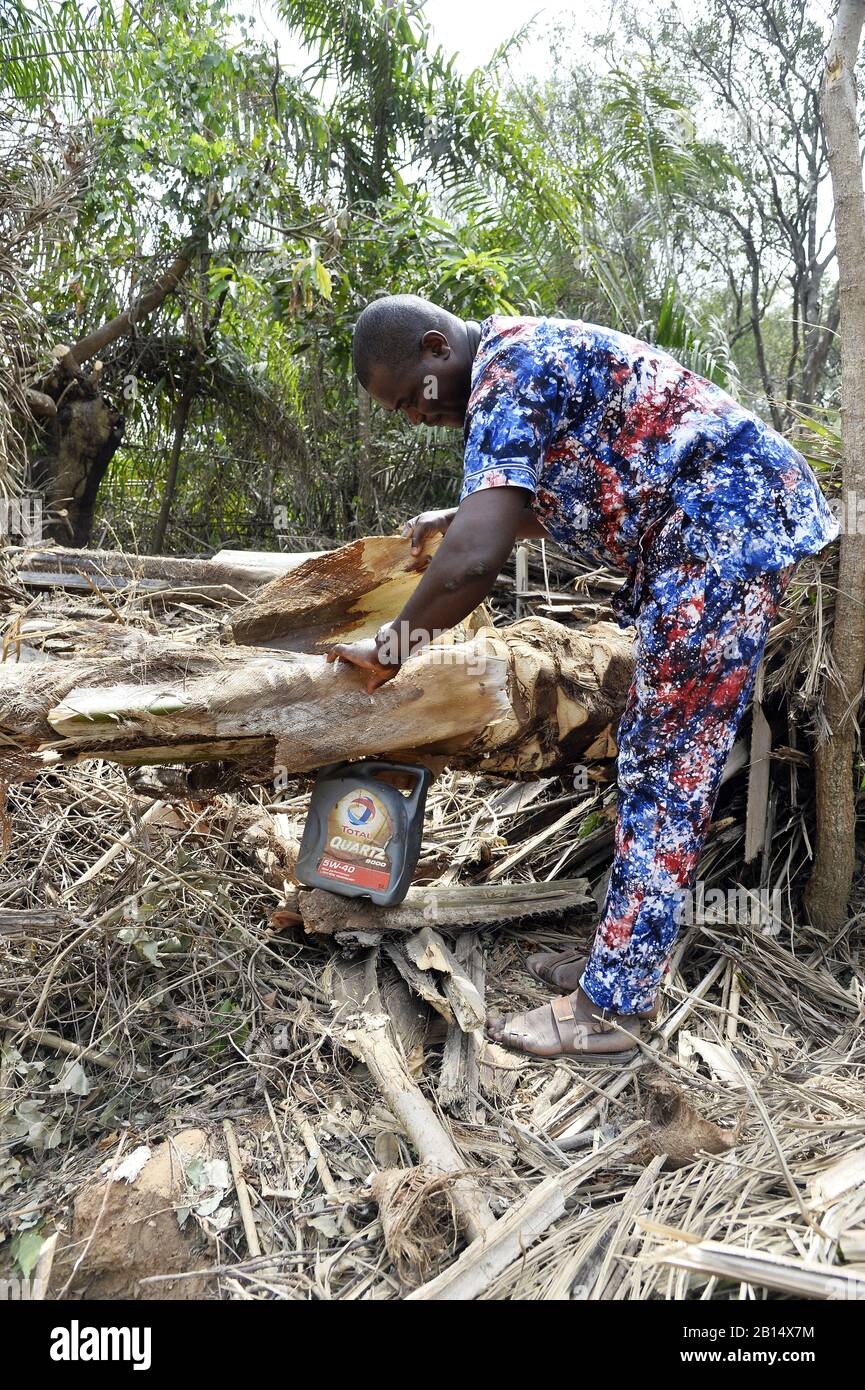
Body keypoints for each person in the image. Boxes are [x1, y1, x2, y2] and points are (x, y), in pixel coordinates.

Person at [327, 293, 839, 1061]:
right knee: (653, 753)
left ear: (437, 350)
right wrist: (453, 514)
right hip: (718, 531)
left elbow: (474, 562)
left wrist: (391, 648)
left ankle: (610, 1009)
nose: (413, 417)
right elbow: (567, 496)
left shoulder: (508, 373)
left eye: (410, 398)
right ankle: (619, 960)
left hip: (721, 537)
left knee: (666, 767)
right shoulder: (511, 366)